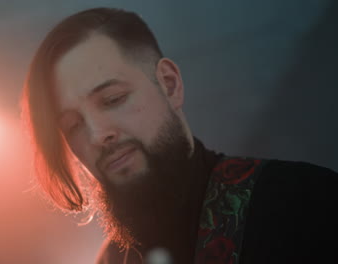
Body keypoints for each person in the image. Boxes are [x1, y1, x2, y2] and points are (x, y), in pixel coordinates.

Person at [21, 7, 338, 264]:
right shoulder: (110, 261)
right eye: (73, 124)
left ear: (169, 84)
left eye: (113, 99)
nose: (97, 134)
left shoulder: (304, 201)